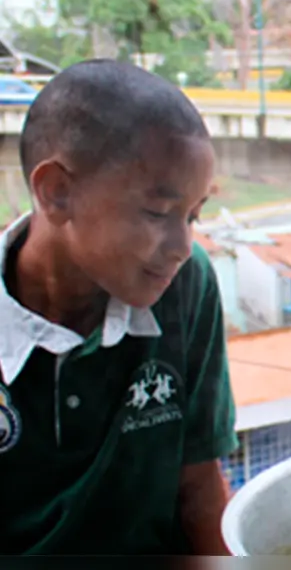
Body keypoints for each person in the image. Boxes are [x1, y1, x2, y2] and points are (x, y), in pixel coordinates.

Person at [0, 59, 239, 554]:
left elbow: (197, 487)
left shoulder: (186, 283)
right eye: (156, 212)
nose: (180, 244)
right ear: (57, 193)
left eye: (193, 215)